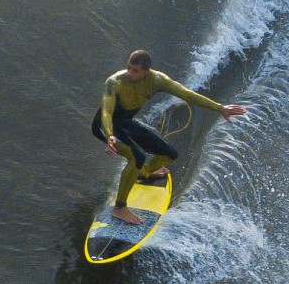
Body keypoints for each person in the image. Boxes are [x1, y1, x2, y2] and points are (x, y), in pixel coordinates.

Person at [92, 49, 247, 224]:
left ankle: (145, 173)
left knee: (169, 154)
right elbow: (106, 110)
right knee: (137, 157)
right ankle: (119, 208)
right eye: (128, 67)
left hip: (125, 123)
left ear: (146, 71)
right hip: (104, 126)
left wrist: (220, 108)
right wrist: (110, 135)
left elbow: (187, 94)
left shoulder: (157, 80)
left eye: (135, 70)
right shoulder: (114, 83)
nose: (130, 73)